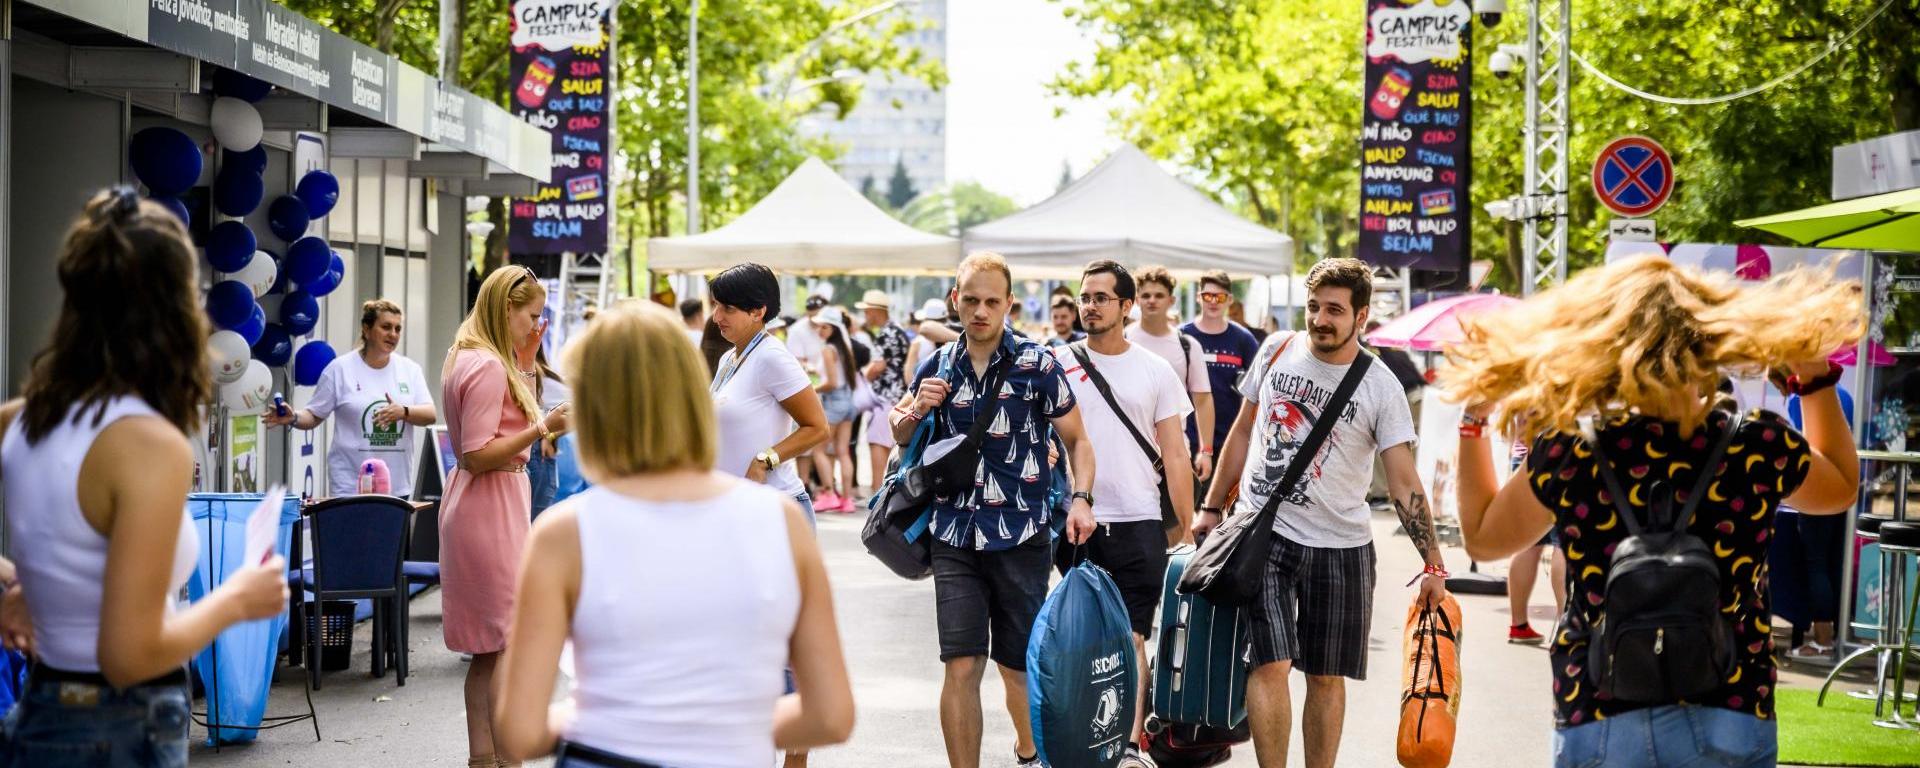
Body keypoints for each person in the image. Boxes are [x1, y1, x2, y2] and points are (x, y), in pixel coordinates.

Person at [1445, 256, 1861, 768]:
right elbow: (1840, 489)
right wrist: (1815, 380)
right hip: (1730, 702)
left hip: (1599, 706)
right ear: (1709, 342)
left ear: (1605, 345)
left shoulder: (1573, 449)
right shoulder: (1756, 444)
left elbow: (1485, 539)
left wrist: (1473, 422)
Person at [491, 302, 853, 767]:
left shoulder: (563, 534)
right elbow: (831, 715)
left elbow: (520, 730)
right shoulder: (780, 523)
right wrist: (723, 726)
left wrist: (617, 723)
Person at [0, 188, 288, 765]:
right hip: (120, 727)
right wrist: (236, 599)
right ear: (177, 307)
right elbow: (130, 654)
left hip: (43, 711)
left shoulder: (21, 418)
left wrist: (27, 581)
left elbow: (75, 537)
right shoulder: (149, 444)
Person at [1194, 257, 1447, 768]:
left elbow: (1402, 480)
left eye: (1334, 309)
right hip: (1265, 534)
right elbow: (1242, 432)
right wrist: (1208, 507)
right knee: (1270, 663)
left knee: (1326, 676)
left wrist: (1434, 561)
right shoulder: (1276, 349)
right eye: (1314, 306)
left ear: (1361, 315)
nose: (1320, 319)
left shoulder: (1381, 386)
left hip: (1343, 546)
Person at [890, 252, 1098, 768]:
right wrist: (917, 408)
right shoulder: (935, 365)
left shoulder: (1038, 363)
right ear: (955, 300)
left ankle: (1030, 752)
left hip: (1021, 535)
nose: (980, 311)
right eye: (971, 300)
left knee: (1018, 666)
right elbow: (899, 436)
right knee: (960, 665)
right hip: (954, 534)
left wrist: (1080, 499)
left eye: (991, 301)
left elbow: (1079, 441)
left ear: (1009, 304)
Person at [1053, 261, 1196, 767]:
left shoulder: (1156, 371)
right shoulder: (1058, 363)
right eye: (1084, 297)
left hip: (1138, 521)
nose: (1089, 306)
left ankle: (1130, 746)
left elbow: (1175, 455)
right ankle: (1084, 738)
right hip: (1074, 520)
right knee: (1083, 639)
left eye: (1100, 298)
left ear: (1126, 305)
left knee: (1132, 635)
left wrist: (1191, 525)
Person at [440, 264, 571, 768]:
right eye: (531, 316)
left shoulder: (469, 354)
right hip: (488, 501)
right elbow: (476, 452)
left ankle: (486, 757)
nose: (534, 326)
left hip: (481, 501)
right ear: (506, 308)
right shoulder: (488, 364)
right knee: (504, 642)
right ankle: (505, 757)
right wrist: (543, 428)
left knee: (489, 649)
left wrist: (528, 357)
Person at [264, 299, 438, 497]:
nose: (393, 334)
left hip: (395, 486)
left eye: (398, 329)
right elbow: (314, 415)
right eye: (386, 327)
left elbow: (430, 414)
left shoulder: (409, 370)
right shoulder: (340, 370)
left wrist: (404, 412)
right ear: (366, 329)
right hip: (349, 485)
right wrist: (293, 417)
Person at [707, 264, 830, 517]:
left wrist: (765, 460)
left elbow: (817, 427)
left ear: (758, 311)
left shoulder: (772, 357)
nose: (716, 316)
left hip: (774, 508)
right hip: (735, 506)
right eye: (716, 305)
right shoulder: (729, 358)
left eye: (727, 308)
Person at [1129, 266, 1217, 495]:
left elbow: (1203, 400)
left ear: (1171, 300)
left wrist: (1206, 451)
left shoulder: (1187, 345)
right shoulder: (1122, 338)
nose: (1152, 301)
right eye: (1146, 295)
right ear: (1137, 300)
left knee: (1175, 527)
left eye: (1159, 295)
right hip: (1127, 453)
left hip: (1175, 451)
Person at [1182, 270, 1261, 499]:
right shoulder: (1183, 336)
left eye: (1220, 297)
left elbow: (1257, 388)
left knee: (1225, 507)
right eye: (1208, 296)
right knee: (1186, 510)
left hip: (1231, 440)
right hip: (1188, 439)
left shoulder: (1243, 339)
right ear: (1199, 297)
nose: (1214, 302)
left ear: (1229, 300)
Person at [859, 290, 911, 485]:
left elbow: (878, 366)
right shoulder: (897, 329)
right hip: (897, 394)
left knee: (877, 444)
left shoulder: (886, 333)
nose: (865, 316)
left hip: (885, 397)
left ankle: (876, 489)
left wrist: (860, 379)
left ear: (874, 311)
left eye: (866, 311)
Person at [812, 308, 859, 513]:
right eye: (819, 326)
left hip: (834, 401)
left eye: (824, 327)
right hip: (849, 401)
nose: (820, 330)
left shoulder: (828, 349)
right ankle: (846, 499)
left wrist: (812, 389)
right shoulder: (844, 347)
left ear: (834, 329)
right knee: (843, 451)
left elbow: (831, 382)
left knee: (818, 450)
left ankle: (829, 494)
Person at [527, 346, 570, 519]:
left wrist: (548, 434)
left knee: (530, 526)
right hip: (534, 459)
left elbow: (583, 410)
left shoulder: (539, 375)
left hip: (537, 457)